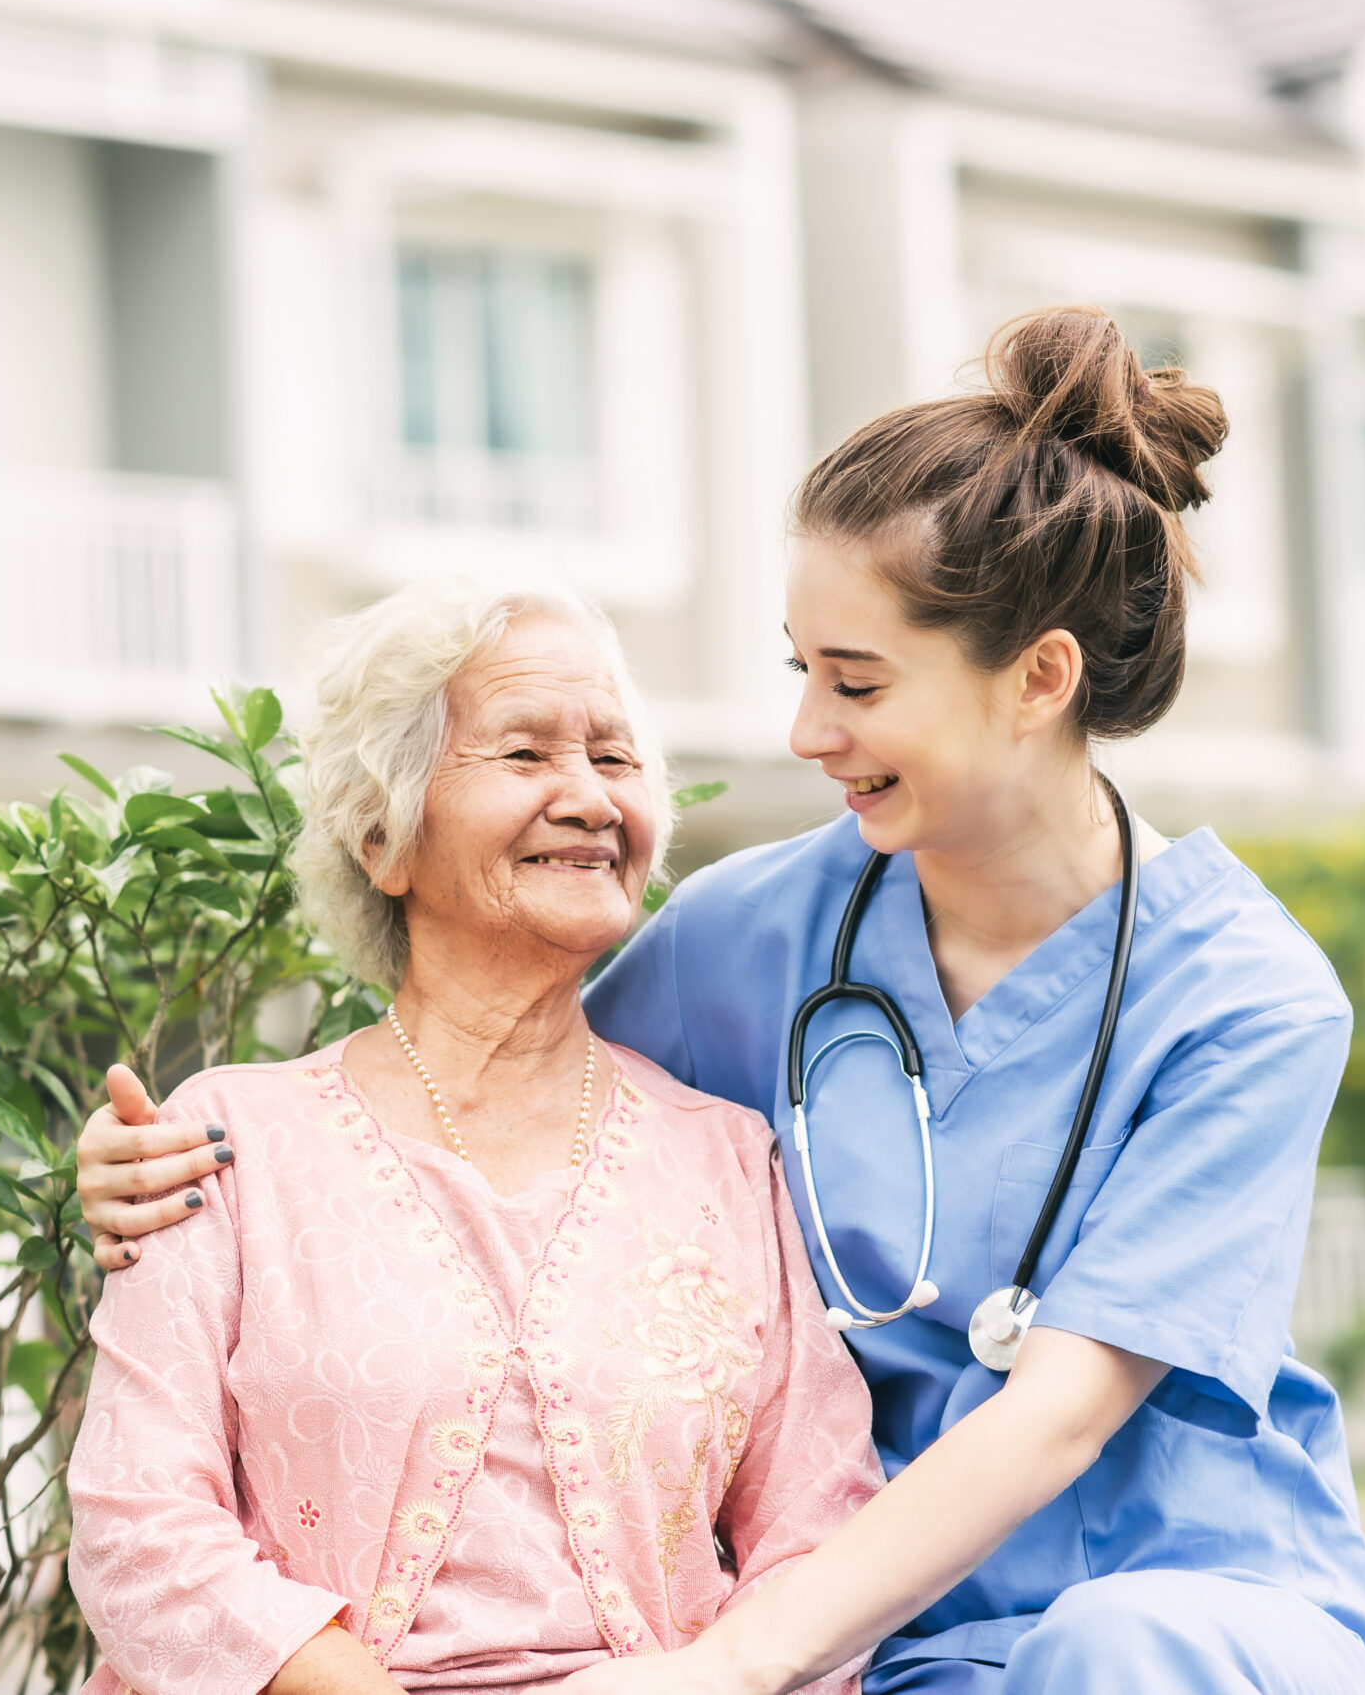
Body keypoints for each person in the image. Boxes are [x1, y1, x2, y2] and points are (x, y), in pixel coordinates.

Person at [77, 307, 1365, 1695]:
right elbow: (490, 1074)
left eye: (856, 682)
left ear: (1038, 679)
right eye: (801, 672)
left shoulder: (1245, 1002)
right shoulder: (753, 936)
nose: (806, 734)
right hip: (901, 1640)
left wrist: (716, 1668)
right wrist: (176, 1165)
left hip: (1178, 1623)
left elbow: (1060, 1420)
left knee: (1110, 1652)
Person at [66, 585, 882, 1695]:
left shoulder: (727, 1158)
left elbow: (822, 1525)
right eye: (526, 752)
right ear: (384, 838)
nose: (589, 797)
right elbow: (137, 1523)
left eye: (615, 757)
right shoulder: (229, 1141)